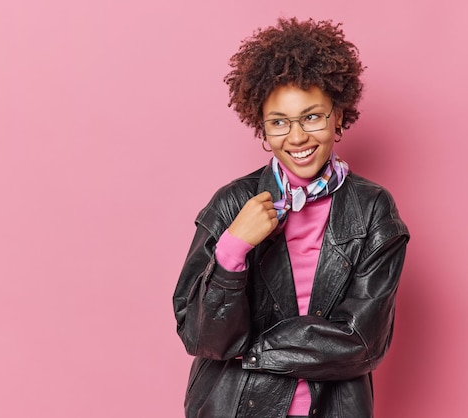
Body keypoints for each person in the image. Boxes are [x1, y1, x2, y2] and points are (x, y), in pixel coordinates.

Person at [172, 17, 409, 418]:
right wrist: (234, 248)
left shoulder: (372, 210)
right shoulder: (232, 204)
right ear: (261, 129)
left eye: (312, 116)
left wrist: (250, 350)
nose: (296, 137)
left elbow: (362, 339)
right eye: (279, 122)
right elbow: (201, 337)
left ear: (338, 116)